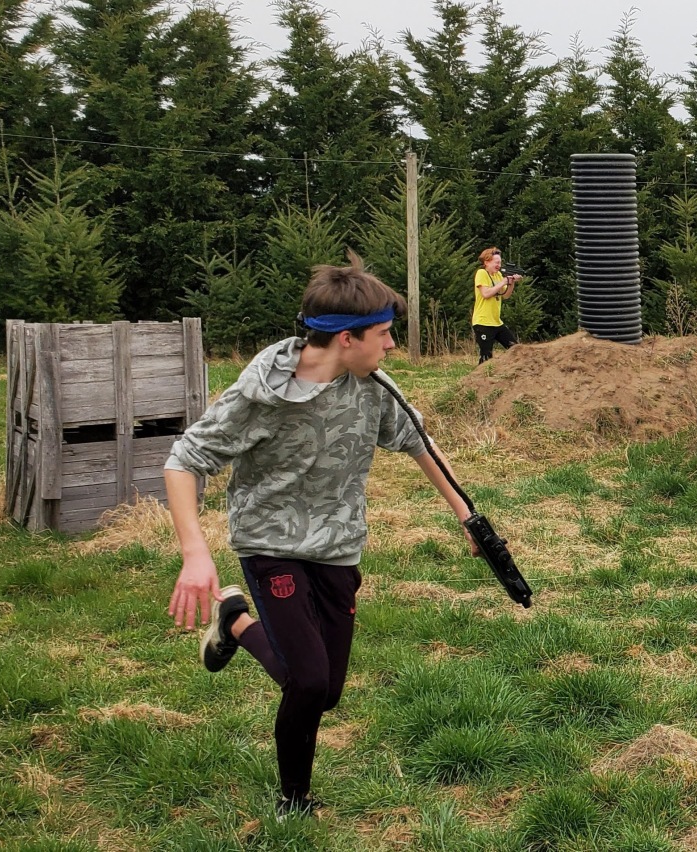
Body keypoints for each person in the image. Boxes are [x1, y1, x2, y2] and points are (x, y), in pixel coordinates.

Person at [164, 253, 478, 820]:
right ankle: (294, 801)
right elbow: (184, 459)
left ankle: (235, 622)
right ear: (346, 338)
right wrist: (195, 553)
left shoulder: (374, 387)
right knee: (307, 683)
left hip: (337, 545)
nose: (391, 346)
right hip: (270, 542)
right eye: (383, 334)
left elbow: (418, 443)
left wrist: (466, 515)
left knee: (327, 691)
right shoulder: (259, 396)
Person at [472, 247, 521, 364]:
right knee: (486, 357)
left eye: (500, 262)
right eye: (496, 262)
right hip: (483, 322)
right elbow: (485, 294)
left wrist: (511, 283)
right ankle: (481, 375)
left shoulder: (498, 275)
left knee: (516, 349)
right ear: (487, 262)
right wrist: (503, 282)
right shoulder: (482, 273)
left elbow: (505, 295)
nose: (499, 265)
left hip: (496, 322)